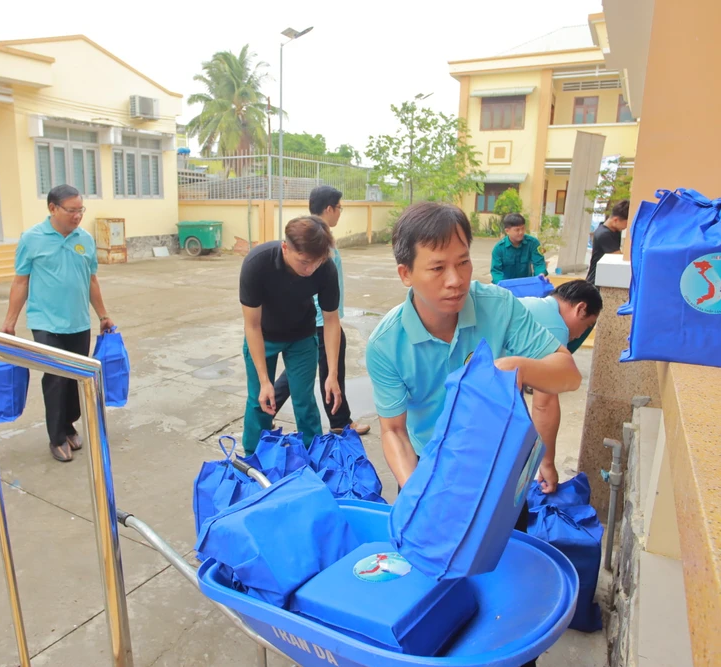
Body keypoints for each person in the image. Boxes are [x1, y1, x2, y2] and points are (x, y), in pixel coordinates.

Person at [366, 203, 581, 667]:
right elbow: (394, 432)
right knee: (440, 598)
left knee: (508, 595)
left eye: (463, 261)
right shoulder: (386, 345)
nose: (455, 280)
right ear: (406, 273)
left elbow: (568, 375)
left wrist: (511, 367)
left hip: (505, 476)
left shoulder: (498, 306)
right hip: (435, 475)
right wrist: (417, 493)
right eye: (438, 267)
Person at [1, 185, 114, 463]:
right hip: (45, 321)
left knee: (76, 377)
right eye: (71, 210)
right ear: (53, 209)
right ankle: (56, 437)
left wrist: (102, 315)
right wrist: (10, 322)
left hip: (78, 321)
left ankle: (68, 424)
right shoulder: (32, 239)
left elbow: (92, 280)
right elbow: (21, 281)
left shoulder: (84, 240)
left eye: (80, 210)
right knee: (55, 379)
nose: (77, 216)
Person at [239, 216, 342, 455]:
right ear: (286, 248)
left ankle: (314, 454)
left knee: (304, 400)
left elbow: (331, 322)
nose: (311, 269)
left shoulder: (325, 267)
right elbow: (251, 326)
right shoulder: (257, 264)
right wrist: (266, 381)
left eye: (317, 262)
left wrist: (333, 374)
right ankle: (253, 457)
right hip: (263, 336)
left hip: (302, 335)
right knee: (259, 400)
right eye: (304, 262)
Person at [273, 186, 370, 436]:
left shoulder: (315, 235)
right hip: (320, 320)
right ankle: (340, 421)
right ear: (329, 208)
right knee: (327, 369)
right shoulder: (318, 242)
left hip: (319, 318)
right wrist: (325, 319)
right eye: (339, 207)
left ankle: (267, 410)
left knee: (301, 370)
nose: (340, 212)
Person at [519, 280, 603, 494]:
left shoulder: (535, 305)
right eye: (586, 326)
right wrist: (546, 463)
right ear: (580, 308)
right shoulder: (555, 326)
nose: (577, 336)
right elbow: (544, 404)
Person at [490, 212, 547, 284]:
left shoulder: (533, 243)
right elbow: (496, 271)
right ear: (507, 231)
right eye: (517, 230)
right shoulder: (499, 248)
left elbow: (539, 263)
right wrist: (502, 284)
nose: (521, 232)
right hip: (507, 286)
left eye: (523, 228)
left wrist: (540, 275)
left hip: (526, 284)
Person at [586, 200, 629, 285]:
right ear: (616, 220)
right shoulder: (604, 234)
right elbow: (619, 258)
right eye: (626, 223)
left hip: (603, 278)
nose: (626, 227)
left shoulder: (613, 230)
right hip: (597, 281)